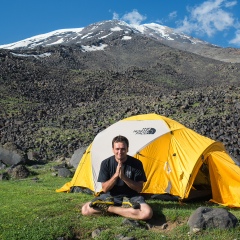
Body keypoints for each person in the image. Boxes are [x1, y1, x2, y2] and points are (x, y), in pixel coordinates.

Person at [81, 135, 153, 220]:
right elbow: (105, 189)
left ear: (127, 149)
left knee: (147, 213)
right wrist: (115, 176)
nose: (120, 152)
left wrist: (124, 177)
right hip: (110, 197)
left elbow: (139, 189)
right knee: (85, 210)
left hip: (132, 197)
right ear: (113, 149)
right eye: (117, 149)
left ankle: (108, 209)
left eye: (123, 149)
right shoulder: (106, 163)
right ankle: (125, 210)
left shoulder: (136, 164)